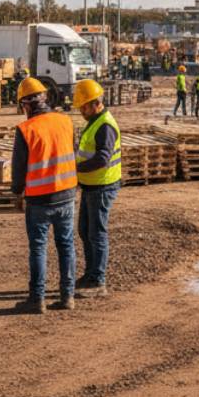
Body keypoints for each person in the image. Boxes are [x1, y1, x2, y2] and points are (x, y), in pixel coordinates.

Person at [10, 77, 77, 313]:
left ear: (26, 105)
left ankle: (37, 299)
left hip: (39, 200)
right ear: (44, 98)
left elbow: (18, 169)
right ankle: (67, 296)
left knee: (38, 247)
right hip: (67, 194)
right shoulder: (66, 121)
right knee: (66, 245)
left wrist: (16, 192)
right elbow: (73, 152)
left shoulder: (26, 130)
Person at [72, 79, 121, 297]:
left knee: (97, 234)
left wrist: (76, 168)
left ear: (95, 103)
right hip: (91, 185)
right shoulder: (94, 121)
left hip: (102, 186)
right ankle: (90, 274)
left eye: (84, 106)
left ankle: (98, 282)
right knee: (85, 231)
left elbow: (102, 158)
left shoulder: (105, 126)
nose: (81, 111)